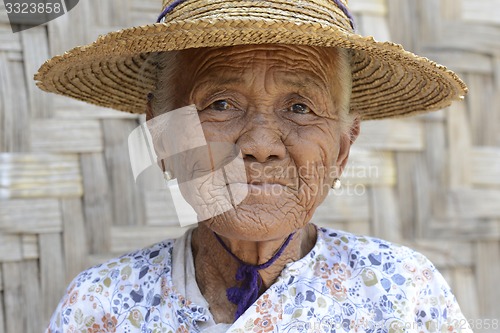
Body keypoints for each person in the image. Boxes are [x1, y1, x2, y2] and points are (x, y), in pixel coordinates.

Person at [36, 0, 472, 332]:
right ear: (162, 137)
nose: (261, 145)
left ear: (342, 147)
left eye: (300, 108)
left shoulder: (405, 294)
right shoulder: (99, 306)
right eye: (221, 104)